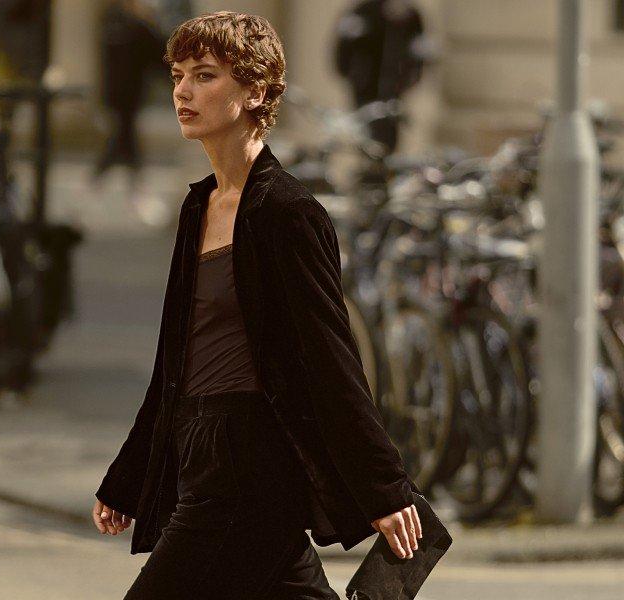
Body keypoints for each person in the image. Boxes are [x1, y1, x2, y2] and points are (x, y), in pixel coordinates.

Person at [92, 12, 423, 599]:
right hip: (201, 453)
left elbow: (330, 359)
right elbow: (175, 363)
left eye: (205, 75)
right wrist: (129, 475)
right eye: (177, 76)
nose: (183, 92)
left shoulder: (288, 214)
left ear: (257, 91)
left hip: (249, 465)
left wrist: (385, 488)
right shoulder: (199, 208)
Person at [333, 0, 426, 154]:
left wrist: (410, 80)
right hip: (365, 86)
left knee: (390, 130)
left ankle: (385, 164)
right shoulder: (362, 11)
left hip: (395, 88)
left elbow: (419, 51)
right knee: (363, 131)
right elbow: (344, 46)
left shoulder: (410, 14)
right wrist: (351, 75)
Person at [91, 0, 165, 191]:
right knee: (124, 134)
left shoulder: (118, 23)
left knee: (123, 133)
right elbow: (159, 55)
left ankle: (116, 176)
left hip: (123, 93)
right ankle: (130, 179)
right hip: (125, 93)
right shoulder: (132, 25)